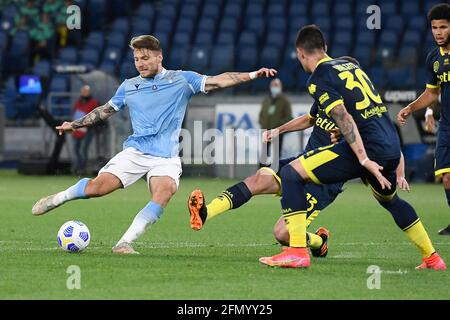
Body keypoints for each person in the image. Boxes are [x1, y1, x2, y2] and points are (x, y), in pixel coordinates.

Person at [31, 34, 277, 254]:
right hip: (136, 151)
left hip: (166, 156)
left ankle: (124, 243)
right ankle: (59, 198)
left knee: (164, 192)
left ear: (159, 57)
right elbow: (104, 111)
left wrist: (253, 74)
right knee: (97, 188)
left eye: (145, 58)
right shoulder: (129, 86)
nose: (140, 63)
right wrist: (74, 124)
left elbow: (218, 81)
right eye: (137, 58)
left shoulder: (182, 80)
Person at [255, 25, 445, 269]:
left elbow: (343, 116)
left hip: (366, 150)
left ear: (301, 53)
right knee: (391, 201)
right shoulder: (352, 67)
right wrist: (393, 159)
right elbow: (371, 113)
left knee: (292, 173)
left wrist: (364, 159)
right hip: (388, 144)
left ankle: (297, 253)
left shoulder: (319, 78)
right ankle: (432, 258)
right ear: (325, 48)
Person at [188, 57, 410, 255]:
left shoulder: (363, 117)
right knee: (258, 179)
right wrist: (278, 130)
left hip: (325, 182)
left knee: (282, 233)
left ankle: (318, 241)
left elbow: (390, 145)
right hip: (302, 165)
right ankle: (206, 212)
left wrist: (399, 173)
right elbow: (308, 119)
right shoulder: (328, 97)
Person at [397, 4, 450, 236]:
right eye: (435, 28)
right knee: (447, 176)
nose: (438, 32)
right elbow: (431, 93)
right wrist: (411, 108)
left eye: (444, 27)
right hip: (447, 125)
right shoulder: (433, 58)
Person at [258, 78, 292, 166]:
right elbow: (262, 114)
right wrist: (263, 123)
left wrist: (278, 125)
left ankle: (274, 174)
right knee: (264, 154)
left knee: (276, 155)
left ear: (280, 87)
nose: (274, 87)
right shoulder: (266, 100)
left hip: (277, 132)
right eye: (273, 85)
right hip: (266, 131)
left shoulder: (284, 101)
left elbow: (289, 117)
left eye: (276, 85)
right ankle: (260, 173)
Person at [71, 85, 99, 175]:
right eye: (83, 91)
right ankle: (78, 167)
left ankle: (82, 168)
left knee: (83, 149)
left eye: (86, 91)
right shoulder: (79, 102)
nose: (84, 93)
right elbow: (75, 113)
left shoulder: (94, 102)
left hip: (88, 129)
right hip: (78, 128)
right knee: (76, 149)